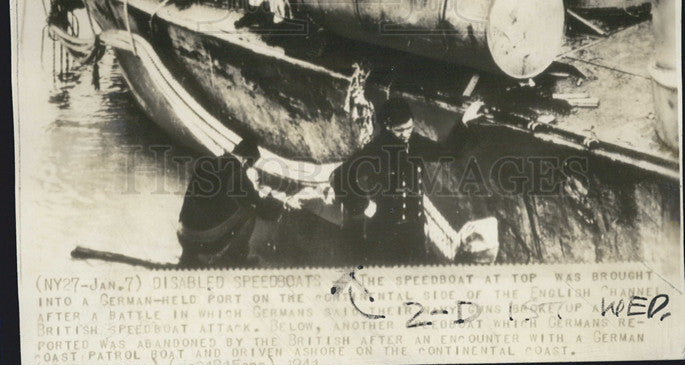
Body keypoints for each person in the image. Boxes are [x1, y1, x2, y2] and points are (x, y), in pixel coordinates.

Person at [330, 96, 483, 265]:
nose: (406, 134)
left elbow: (447, 152)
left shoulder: (414, 142)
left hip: (414, 233)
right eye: (400, 130)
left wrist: (464, 121)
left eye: (409, 128)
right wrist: (364, 205)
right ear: (388, 127)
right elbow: (339, 177)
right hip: (385, 234)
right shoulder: (375, 150)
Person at [177, 133, 302, 267]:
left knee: (238, 202)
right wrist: (283, 199)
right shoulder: (237, 175)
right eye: (249, 165)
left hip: (183, 232)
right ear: (246, 161)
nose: (247, 168)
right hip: (204, 239)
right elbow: (261, 208)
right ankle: (237, 256)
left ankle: (206, 255)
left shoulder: (207, 163)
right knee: (250, 211)